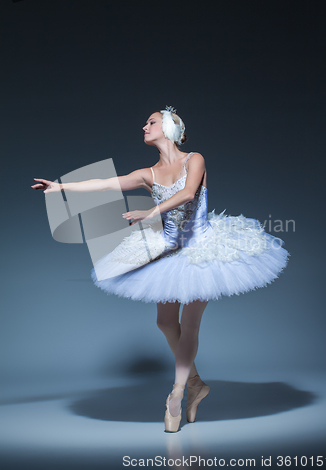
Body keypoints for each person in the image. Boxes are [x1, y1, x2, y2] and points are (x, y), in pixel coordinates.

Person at [31, 106, 290, 432]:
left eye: (151, 122)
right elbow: (106, 184)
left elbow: (187, 194)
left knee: (189, 323)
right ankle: (196, 383)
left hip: (202, 252)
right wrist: (59, 188)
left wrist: (151, 212)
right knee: (164, 321)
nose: (144, 126)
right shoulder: (147, 174)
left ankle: (177, 393)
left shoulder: (194, 159)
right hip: (168, 252)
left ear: (168, 127)